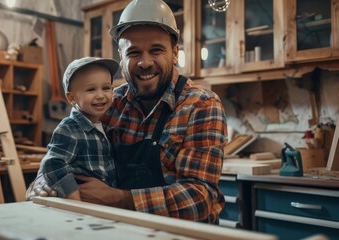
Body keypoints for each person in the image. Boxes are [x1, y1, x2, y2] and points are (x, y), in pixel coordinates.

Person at [27, 0, 227, 224]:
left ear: (175, 52)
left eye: (156, 50)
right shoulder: (109, 103)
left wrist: (118, 199)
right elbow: (63, 155)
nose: (144, 62)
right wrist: (42, 185)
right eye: (133, 52)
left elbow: (201, 199)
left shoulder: (201, 105)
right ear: (121, 58)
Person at [27, 57, 120, 201]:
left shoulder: (101, 124)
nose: (100, 95)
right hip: (80, 205)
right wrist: (74, 198)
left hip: (101, 205)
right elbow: (52, 163)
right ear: (71, 98)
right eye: (91, 89)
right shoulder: (69, 128)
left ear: (112, 90)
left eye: (106, 88)